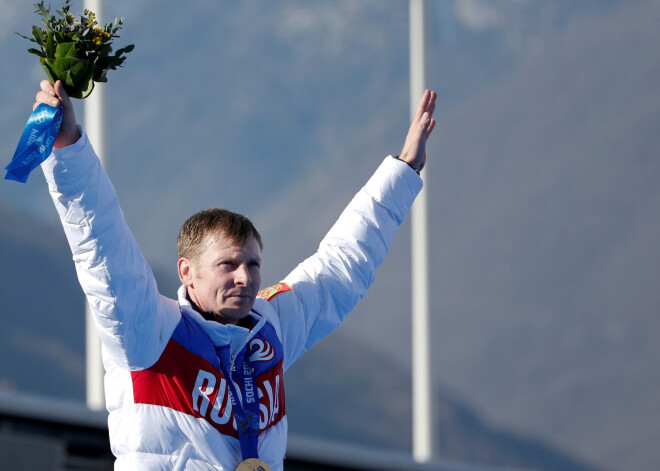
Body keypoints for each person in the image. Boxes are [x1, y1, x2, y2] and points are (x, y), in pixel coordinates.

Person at [34, 79, 436, 470]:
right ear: (187, 272)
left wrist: (403, 172)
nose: (245, 278)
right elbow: (102, 247)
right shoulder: (148, 332)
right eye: (228, 265)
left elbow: (343, 263)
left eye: (254, 264)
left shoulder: (271, 327)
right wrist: (69, 149)